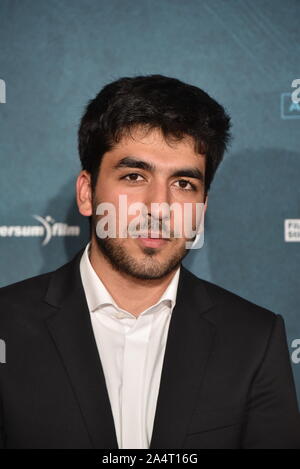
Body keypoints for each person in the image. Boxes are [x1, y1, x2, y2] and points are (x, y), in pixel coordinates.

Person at [0, 74, 299, 449]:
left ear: (202, 208)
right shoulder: (6, 326)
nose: (159, 206)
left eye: (184, 184)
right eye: (134, 175)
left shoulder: (254, 339)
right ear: (87, 193)